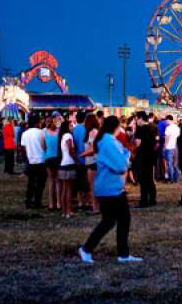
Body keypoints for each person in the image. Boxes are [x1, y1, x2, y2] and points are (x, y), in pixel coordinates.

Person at [79, 116, 143, 264]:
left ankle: (95, 249)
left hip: (109, 186)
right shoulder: (109, 143)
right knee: (117, 220)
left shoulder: (106, 141)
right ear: (116, 127)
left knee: (112, 220)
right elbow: (121, 166)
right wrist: (127, 156)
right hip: (110, 187)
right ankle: (90, 249)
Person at [134, 110, 159, 207]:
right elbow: (157, 141)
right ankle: (152, 199)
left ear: (141, 118)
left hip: (142, 156)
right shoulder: (154, 127)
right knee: (150, 178)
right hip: (151, 155)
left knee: (143, 179)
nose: (136, 121)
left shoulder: (140, 129)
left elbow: (137, 144)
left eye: (137, 119)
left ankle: (144, 200)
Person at [22, 115, 47, 209]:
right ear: (37, 123)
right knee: (40, 183)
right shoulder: (41, 133)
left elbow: (24, 148)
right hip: (41, 159)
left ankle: (28, 201)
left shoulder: (25, 133)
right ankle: (37, 201)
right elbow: (45, 146)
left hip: (31, 160)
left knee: (31, 182)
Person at [58, 118, 78, 218]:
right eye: (70, 125)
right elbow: (70, 150)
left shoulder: (62, 136)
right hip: (69, 163)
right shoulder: (68, 135)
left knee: (64, 189)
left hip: (63, 163)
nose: (72, 127)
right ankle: (69, 211)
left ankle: (64, 211)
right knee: (69, 190)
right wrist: (77, 159)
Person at [81, 113, 101, 214]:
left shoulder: (93, 132)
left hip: (92, 161)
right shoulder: (95, 131)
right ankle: (97, 207)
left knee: (92, 186)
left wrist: (82, 155)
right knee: (96, 186)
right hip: (94, 161)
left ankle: (95, 208)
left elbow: (93, 149)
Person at [43, 116, 62, 210]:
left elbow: (43, 146)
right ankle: (58, 203)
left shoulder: (44, 133)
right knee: (58, 181)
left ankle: (51, 204)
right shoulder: (58, 132)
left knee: (51, 181)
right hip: (57, 157)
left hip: (48, 157)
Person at [72, 111, 90, 210]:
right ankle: (86, 202)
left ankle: (79, 202)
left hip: (77, 159)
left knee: (78, 182)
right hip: (87, 158)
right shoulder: (86, 129)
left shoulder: (74, 130)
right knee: (86, 182)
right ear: (84, 119)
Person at [163, 115, 180, 183]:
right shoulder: (177, 127)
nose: (166, 122)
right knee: (175, 163)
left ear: (168, 120)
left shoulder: (168, 128)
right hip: (175, 147)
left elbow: (167, 138)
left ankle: (171, 179)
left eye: (166, 120)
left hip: (169, 147)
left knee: (169, 164)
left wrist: (164, 146)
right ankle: (176, 178)